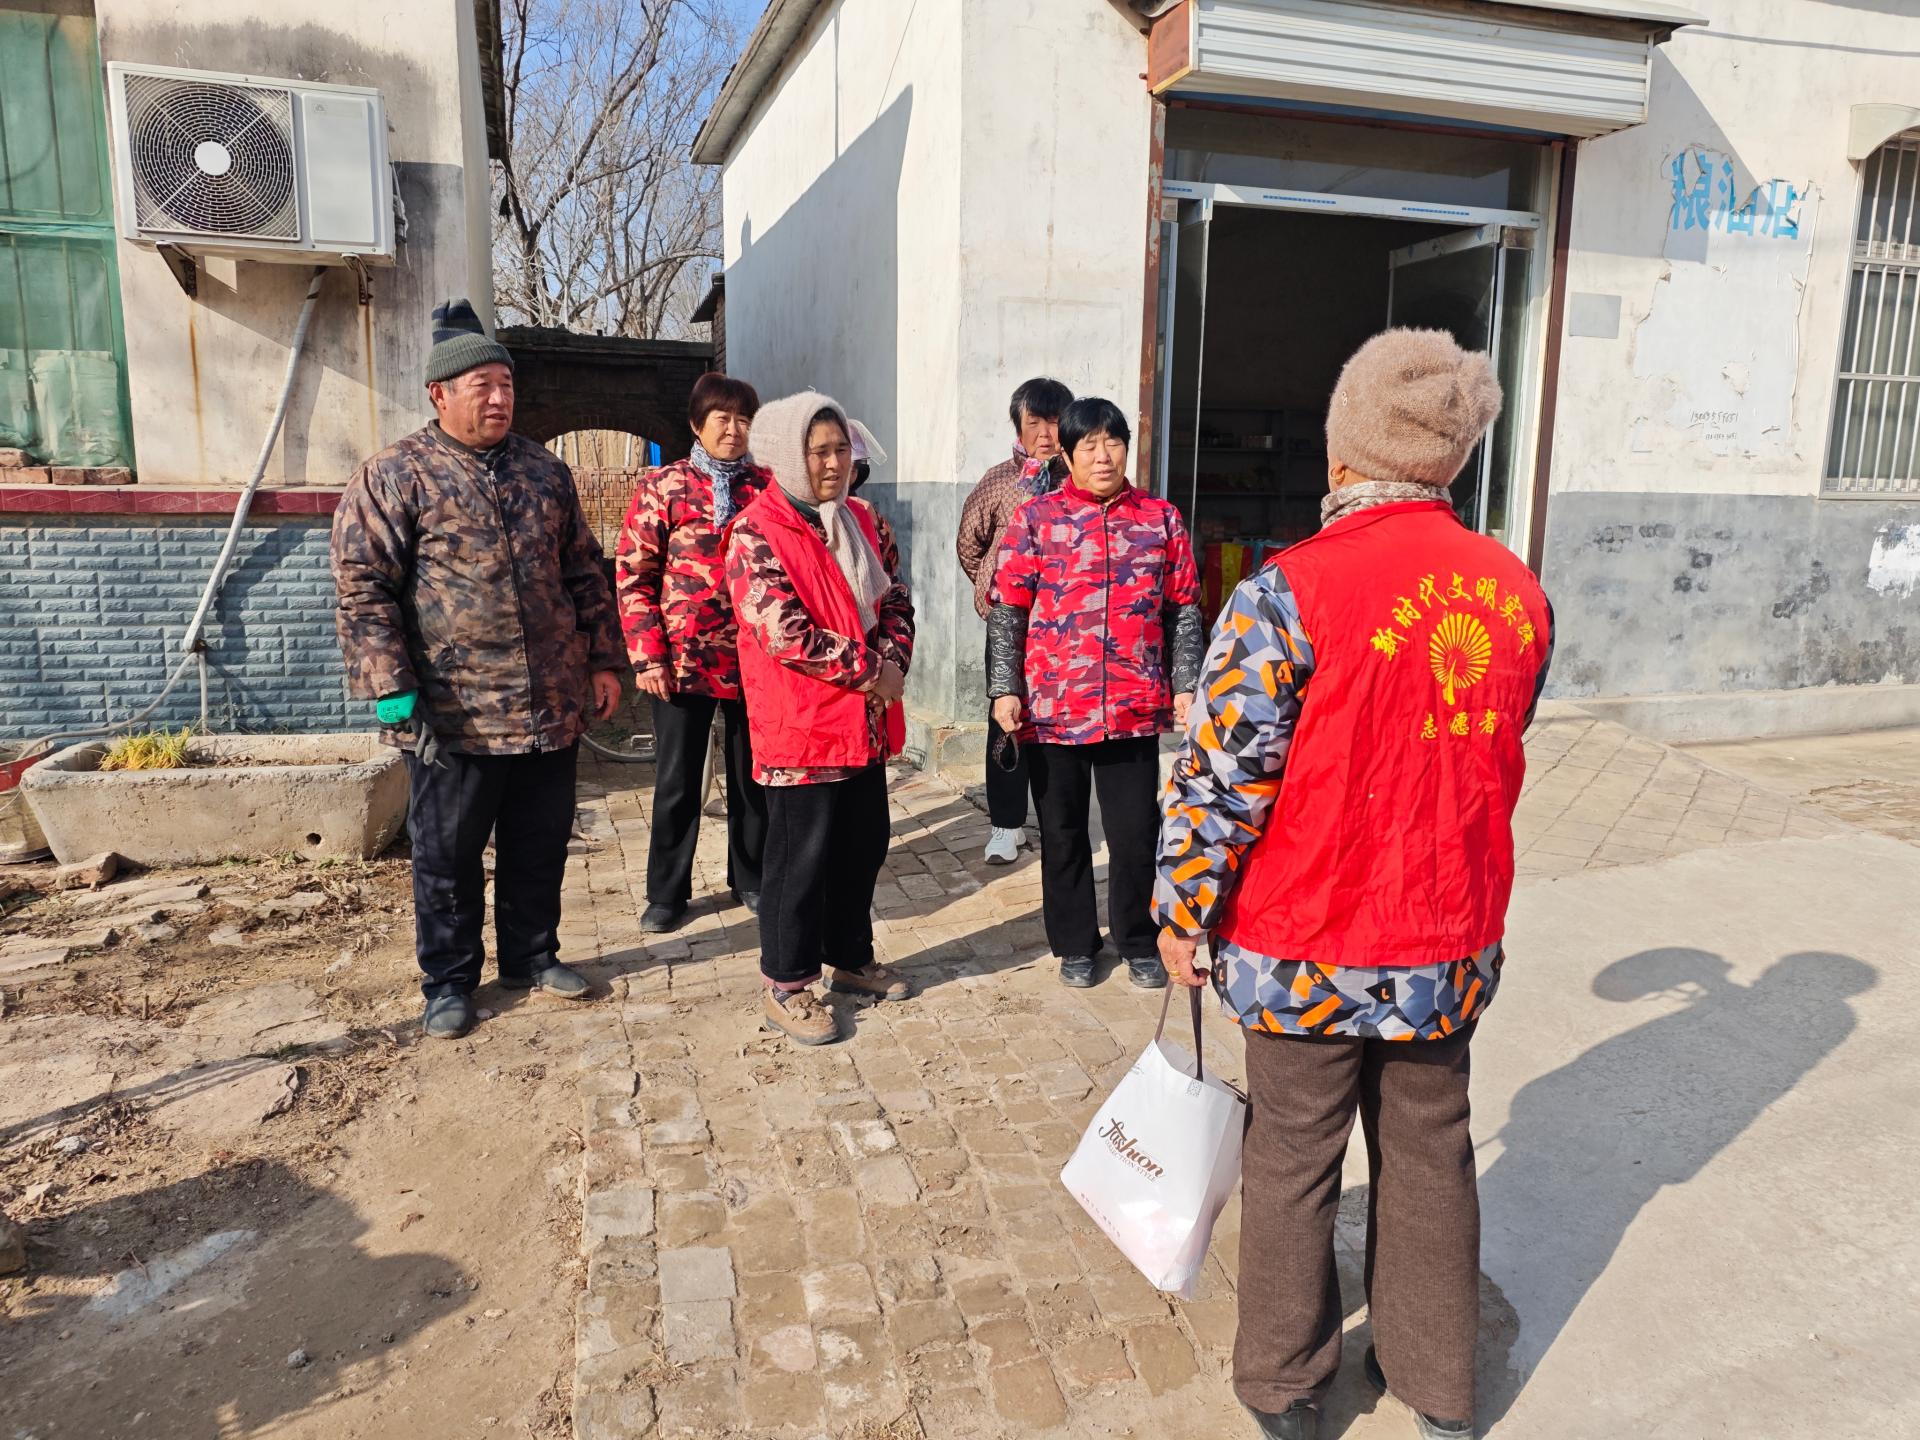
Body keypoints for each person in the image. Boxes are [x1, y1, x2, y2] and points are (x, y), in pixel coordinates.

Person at [1151, 329, 1555, 1440]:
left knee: (1293, 1154)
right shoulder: (1517, 593)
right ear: (1452, 460)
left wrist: (1183, 909)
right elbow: (1501, 735)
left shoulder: (1287, 594)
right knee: (1431, 1152)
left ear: (1342, 457)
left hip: (1305, 941)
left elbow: (1222, 779)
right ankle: (1439, 1385)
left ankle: (1285, 1386)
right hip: (1444, 937)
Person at [331, 298, 626, 1040]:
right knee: (448, 855)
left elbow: (584, 571)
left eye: (507, 385)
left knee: (540, 840)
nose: (499, 399)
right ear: (440, 394)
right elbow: (363, 586)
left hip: (548, 703)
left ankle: (532, 955)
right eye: (482, 386)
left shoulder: (544, 471)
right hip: (453, 710)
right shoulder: (396, 474)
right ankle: (450, 982)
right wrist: (391, 686)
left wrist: (604, 659)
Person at [987, 396, 1202, 991]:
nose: (1103, 456)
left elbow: (1184, 609)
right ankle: (1075, 944)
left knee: (1135, 833)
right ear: (1068, 455)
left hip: (1132, 706)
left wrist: (1186, 684)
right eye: (1089, 445)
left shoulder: (1160, 519)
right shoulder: (1036, 519)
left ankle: (1137, 939)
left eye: (1113, 442)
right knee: (1061, 834)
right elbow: (1008, 610)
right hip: (1053, 707)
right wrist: (1004, 688)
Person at [725, 392, 917, 1046]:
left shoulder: (863, 520)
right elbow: (784, 632)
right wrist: (872, 672)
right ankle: (787, 982)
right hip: (801, 729)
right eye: (819, 452)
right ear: (787, 455)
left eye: (841, 449)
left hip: (863, 723)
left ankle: (851, 957)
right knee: (798, 863)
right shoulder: (756, 531)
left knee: (863, 848)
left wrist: (892, 661)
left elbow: (896, 600)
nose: (835, 463)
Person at [614, 372, 772, 934]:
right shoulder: (666, 486)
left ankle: (751, 877)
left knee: (754, 775)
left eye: (744, 420)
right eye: (722, 419)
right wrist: (647, 656)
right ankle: (667, 892)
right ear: (696, 425)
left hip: (755, 659)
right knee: (678, 779)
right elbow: (633, 575)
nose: (734, 430)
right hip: (682, 662)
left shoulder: (766, 486)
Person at [956, 377, 1073, 865]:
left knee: (1056, 723)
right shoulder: (1000, 481)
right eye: (1034, 422)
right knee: (1006, 717)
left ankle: (1054, 821)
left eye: (1054, 422)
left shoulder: (1078, 482)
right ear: (1018, 427)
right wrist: (994, 591)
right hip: (1010, 625)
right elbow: (970, 544)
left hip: (1065, 627)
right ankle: (1006, 825)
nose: (1045, 434)